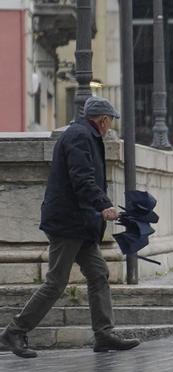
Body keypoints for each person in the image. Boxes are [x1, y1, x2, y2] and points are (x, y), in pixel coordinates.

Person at [0, 97, 141, 358]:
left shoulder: (84, 135)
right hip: (68, 223)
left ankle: (104, 334)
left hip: (81, 224)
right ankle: (14, 331)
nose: (110, 127)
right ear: (103, 120)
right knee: (56, 282)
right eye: (110, 122)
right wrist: (104, 205)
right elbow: (82, 178)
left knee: (98, 274)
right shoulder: (80, 136)